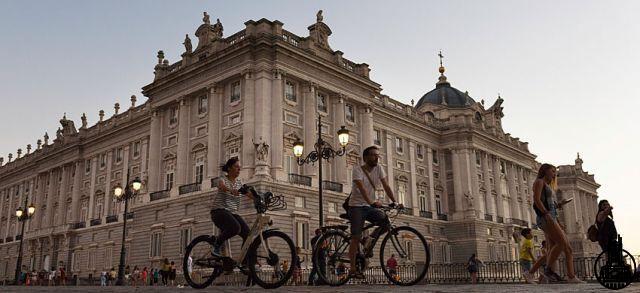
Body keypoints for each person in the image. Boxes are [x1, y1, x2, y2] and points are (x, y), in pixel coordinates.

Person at [348, 146, 400, 279]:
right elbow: (361, 189)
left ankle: (369, 239)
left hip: (369, 205)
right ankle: (353, 268)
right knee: (355, 237)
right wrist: (372, 202)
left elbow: (386, 185)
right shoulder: (357, 170)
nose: (376, 157)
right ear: (365, 157)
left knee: (385, 222)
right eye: (373, 155)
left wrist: (395, 202)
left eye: (377, 155)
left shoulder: (379, 168)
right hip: (356, 206)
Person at [532, 163, 584, 283]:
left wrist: (558, 206)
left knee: (564, 248)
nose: (555, 174)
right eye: (553, 171)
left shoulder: (548, 185)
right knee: (562, 244)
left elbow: (549, 204)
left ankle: (567, 276)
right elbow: (536, 200)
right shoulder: (539, 182)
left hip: (551, 217)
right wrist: (546, 213)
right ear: (545, 171)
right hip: (546, 218)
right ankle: (549, 272)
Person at [211, 157, 252, 262]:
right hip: (219, 211)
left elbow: (248, 193)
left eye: (240, 167)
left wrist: (260, 198)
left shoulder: (239, 183)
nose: (239, 169)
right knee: (235, 228)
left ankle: (245, 261)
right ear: (229, 168)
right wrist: (231, 190)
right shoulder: (223, 179)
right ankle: (216, 245)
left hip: (232, 212)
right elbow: (222, 186)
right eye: (236, 167)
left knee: (248, 234)